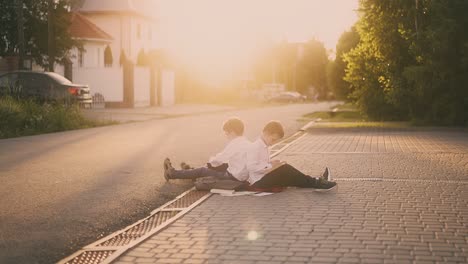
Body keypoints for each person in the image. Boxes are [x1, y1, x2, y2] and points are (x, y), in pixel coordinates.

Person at [246, 120, 337, 191]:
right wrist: (271, 166)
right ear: (266, 133)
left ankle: (317, 181)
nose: (273, 143)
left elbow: (260, 163)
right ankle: (318, 182)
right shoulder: (255, 147)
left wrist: (272, 162)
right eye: (273, 139)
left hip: (264, 178)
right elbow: (251, 167)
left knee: (291, 176)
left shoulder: (264, 146)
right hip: (258, 181)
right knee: (286, 169)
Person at [164, 117, 250, 182]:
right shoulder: (246, 142)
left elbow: (218, 160)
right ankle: (189, 171)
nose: (226, 135)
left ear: (232, 132)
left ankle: (172, 174)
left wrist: (210, 162)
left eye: (226, 132)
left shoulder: (234, 144)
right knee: (213, 167)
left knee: (204, 170)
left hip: (233, 177)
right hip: (240, 174)